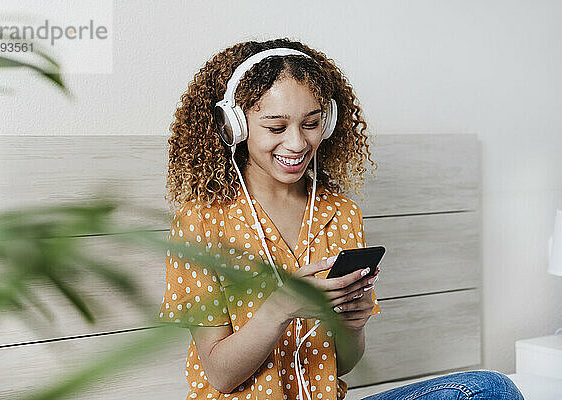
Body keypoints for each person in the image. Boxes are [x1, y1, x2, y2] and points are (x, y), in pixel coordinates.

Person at [159, 38, 524, 400]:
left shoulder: (342, 214)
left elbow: (344, 363)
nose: (297, 143)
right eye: (275, 127)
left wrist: (354, 324)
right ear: (235, 127)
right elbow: (220, 375)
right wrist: (280, 308)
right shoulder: (201, 221)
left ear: (329, 122)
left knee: (491, 389)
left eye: (311, 123)